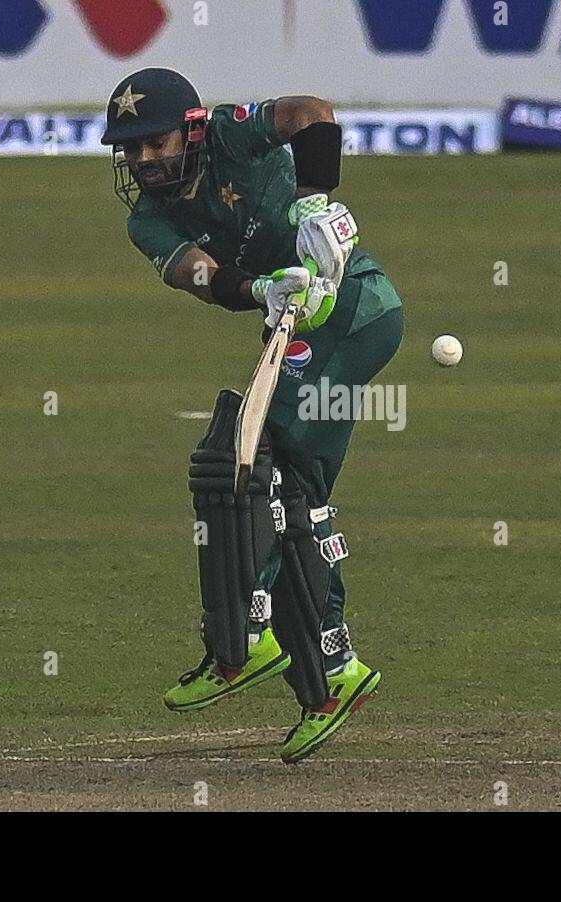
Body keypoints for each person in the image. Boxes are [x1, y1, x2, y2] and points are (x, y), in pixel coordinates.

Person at [100, 68, 404, 762]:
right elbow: (198, 276)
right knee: (289, 495)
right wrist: (257, 287)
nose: (143, 160)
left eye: (155, 142)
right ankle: (330, 676)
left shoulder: (233, 136)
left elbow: (310, 111)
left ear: (192, 128)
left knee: (247, 461)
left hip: (355, 315)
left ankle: (242, 639)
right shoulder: (146, 219)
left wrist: (313, 200)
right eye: (130, 149)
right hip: (292, 327)